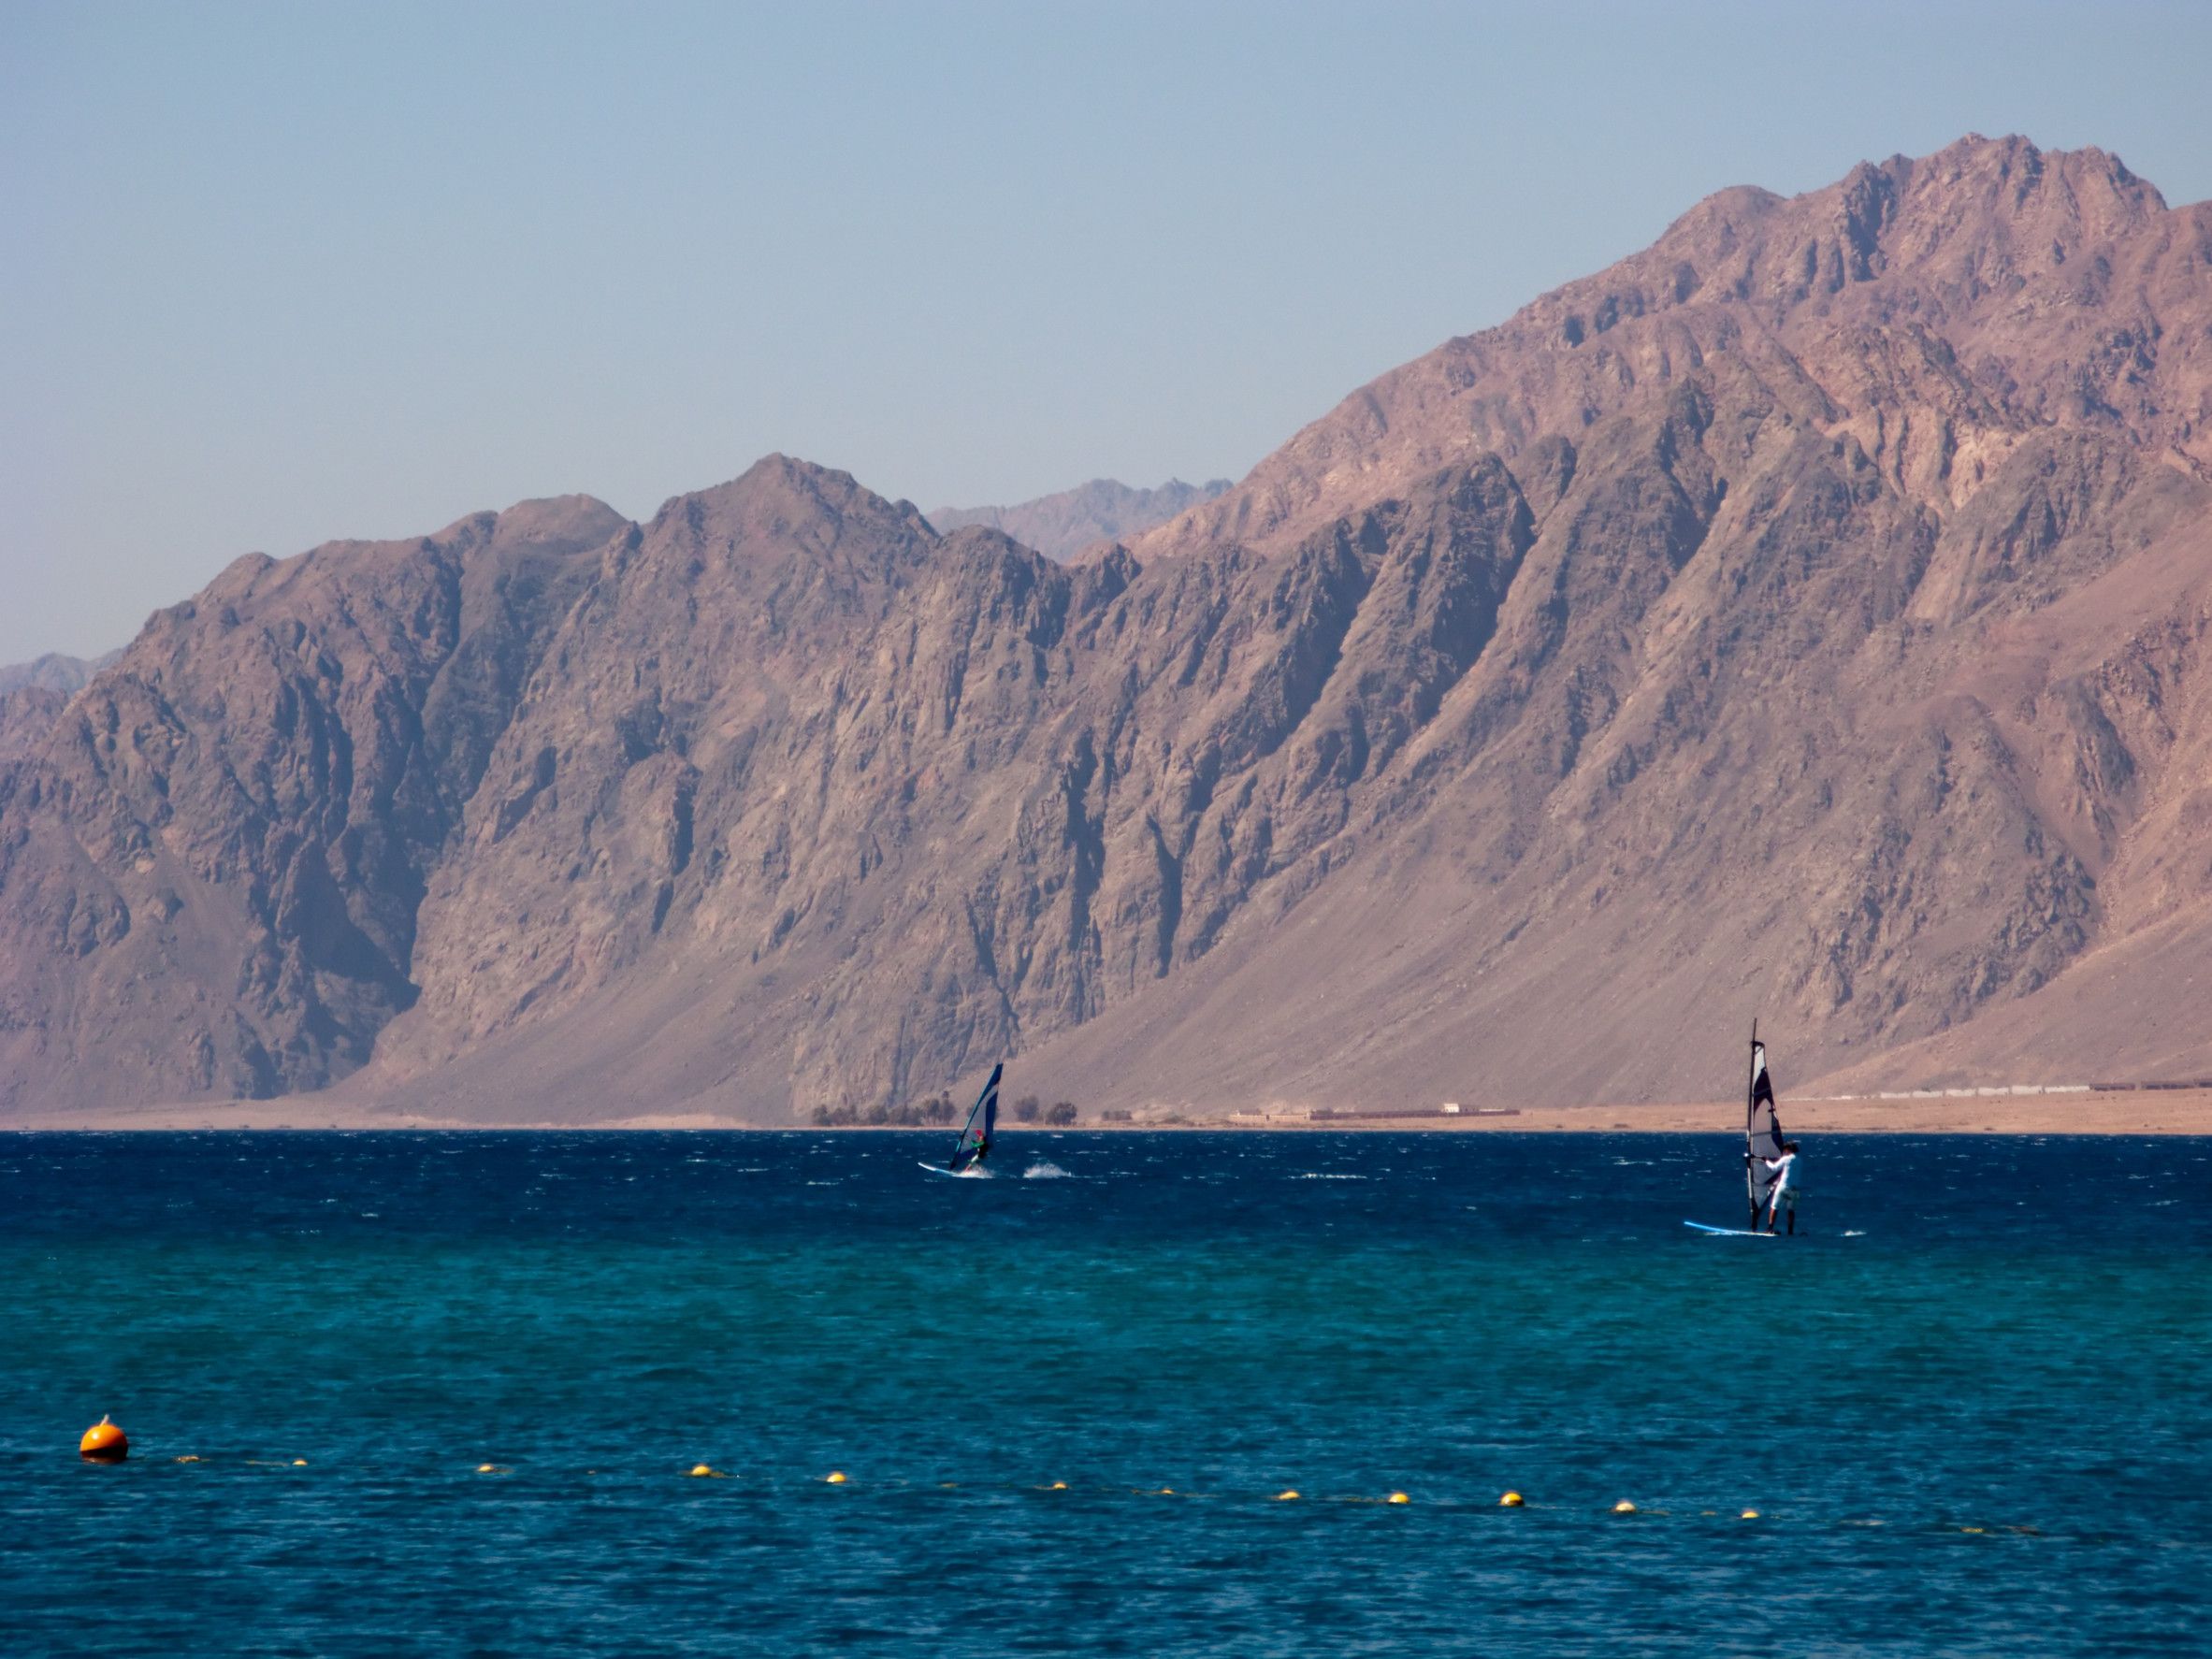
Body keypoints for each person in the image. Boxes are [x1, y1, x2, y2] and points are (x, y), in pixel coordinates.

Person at [1761, 1140, 1801, 1234]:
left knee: (1774, 1206)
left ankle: (1769, 1229)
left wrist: (1766, 1160)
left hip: (1784, 1187)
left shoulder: (1786, 1159)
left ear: (1789, 1149)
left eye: (1785, 1150)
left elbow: (1774, 1168)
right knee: (1791, 1210)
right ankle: (1790, 1232)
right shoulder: (1800, 1160)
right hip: (1795, 1189)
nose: (1784, 1152)